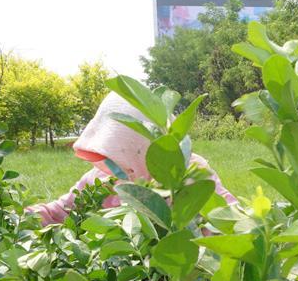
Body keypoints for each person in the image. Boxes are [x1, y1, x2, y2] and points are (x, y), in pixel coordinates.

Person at [26, 92, 236, 226]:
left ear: (140, 145)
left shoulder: (190, 172)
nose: (113, 165)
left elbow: (227, 213)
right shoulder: (100, 179)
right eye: (108, 153)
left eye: (121, 152)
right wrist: (24, 219)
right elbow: (60, 211)